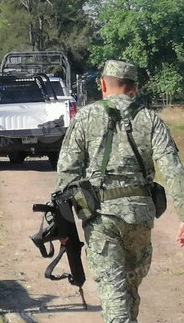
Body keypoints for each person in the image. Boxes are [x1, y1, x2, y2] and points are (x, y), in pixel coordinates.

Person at [55, 60, 184, 323]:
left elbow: (66, 174)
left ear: (103, 84)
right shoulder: (151, 119)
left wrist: (65, 223)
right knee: (129, 290)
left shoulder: (86, 117)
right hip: (140, 217)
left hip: (102, 217)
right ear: (134, 90)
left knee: (114, 294)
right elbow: (173, 171)